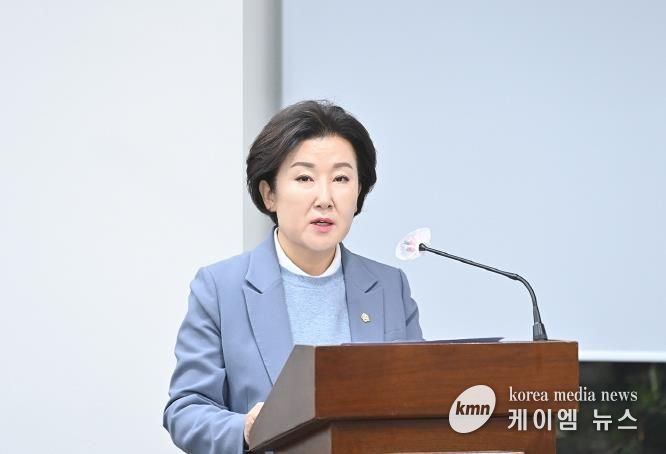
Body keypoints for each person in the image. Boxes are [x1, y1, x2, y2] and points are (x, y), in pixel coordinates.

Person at [162, 100, 423, 453]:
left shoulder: (389, 287)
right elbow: (186, 410)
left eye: (341, 178)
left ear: (358, 191)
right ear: (269, 194)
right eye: (304, 178)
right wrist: (246, 429)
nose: (325, 198)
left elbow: (417, 400)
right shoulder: (220, 289)